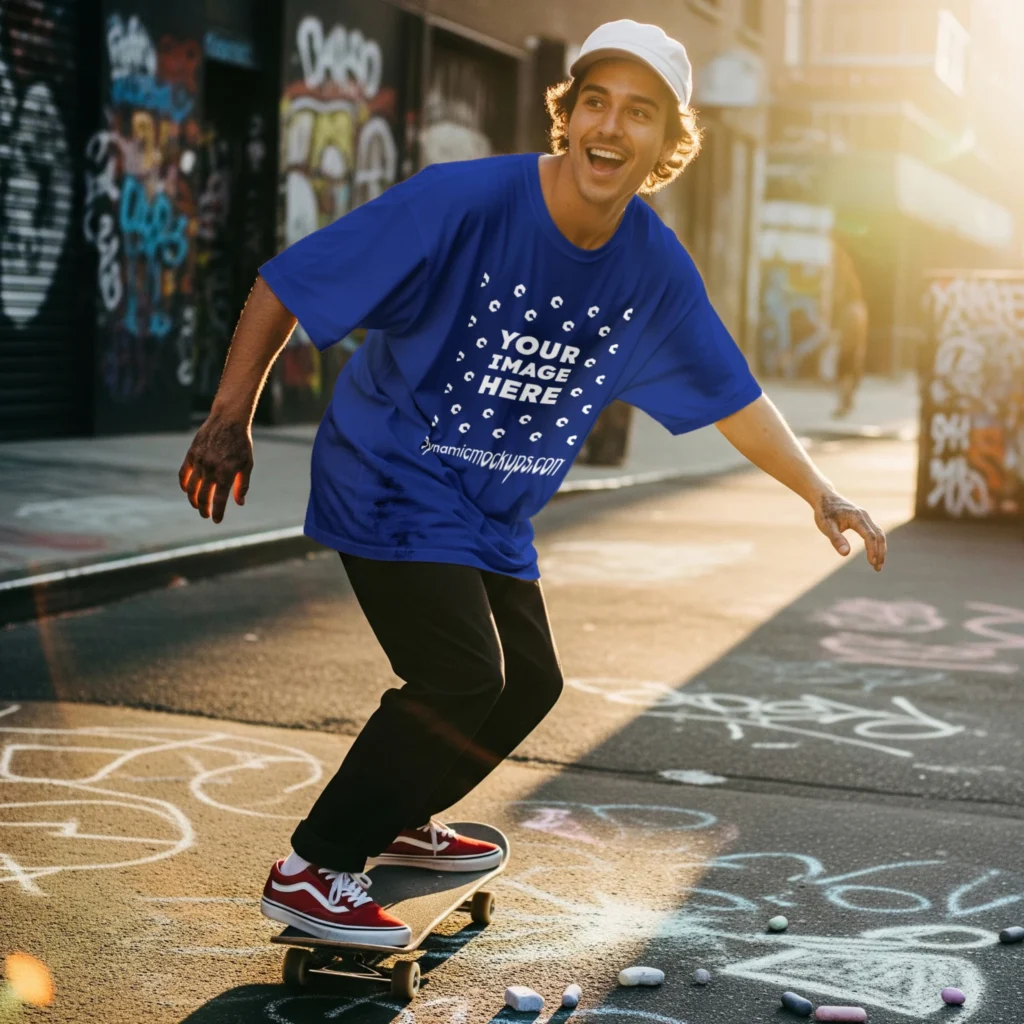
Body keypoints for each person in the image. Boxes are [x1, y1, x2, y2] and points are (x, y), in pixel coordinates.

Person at [178, 19, 887, 947]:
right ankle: (315, 868)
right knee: (462, 673)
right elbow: (291, 281)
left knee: (531, 685)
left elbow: (733, 393)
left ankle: (397, 813)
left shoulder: (653, 264)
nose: (609, 125)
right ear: (569, 114)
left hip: (489, 508)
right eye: (595, 100)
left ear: (666, 147)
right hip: (389, 469)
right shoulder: (463, 201)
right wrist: (230, 418)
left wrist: (819, 492)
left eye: (638, 113)